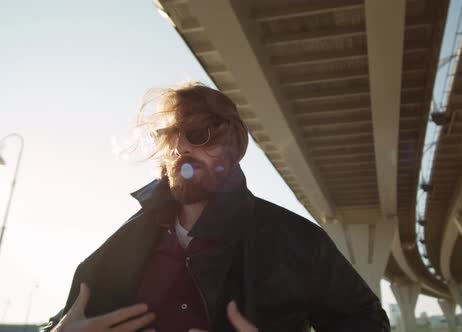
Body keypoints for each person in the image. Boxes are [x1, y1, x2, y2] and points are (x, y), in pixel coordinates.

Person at [43, 82, 389, 332]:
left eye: (196, 133)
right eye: (169, 137)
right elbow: (65, 319)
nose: (179, 148)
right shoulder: (124, 242)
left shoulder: (297, 242)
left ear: (234, 144)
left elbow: (368, 324)